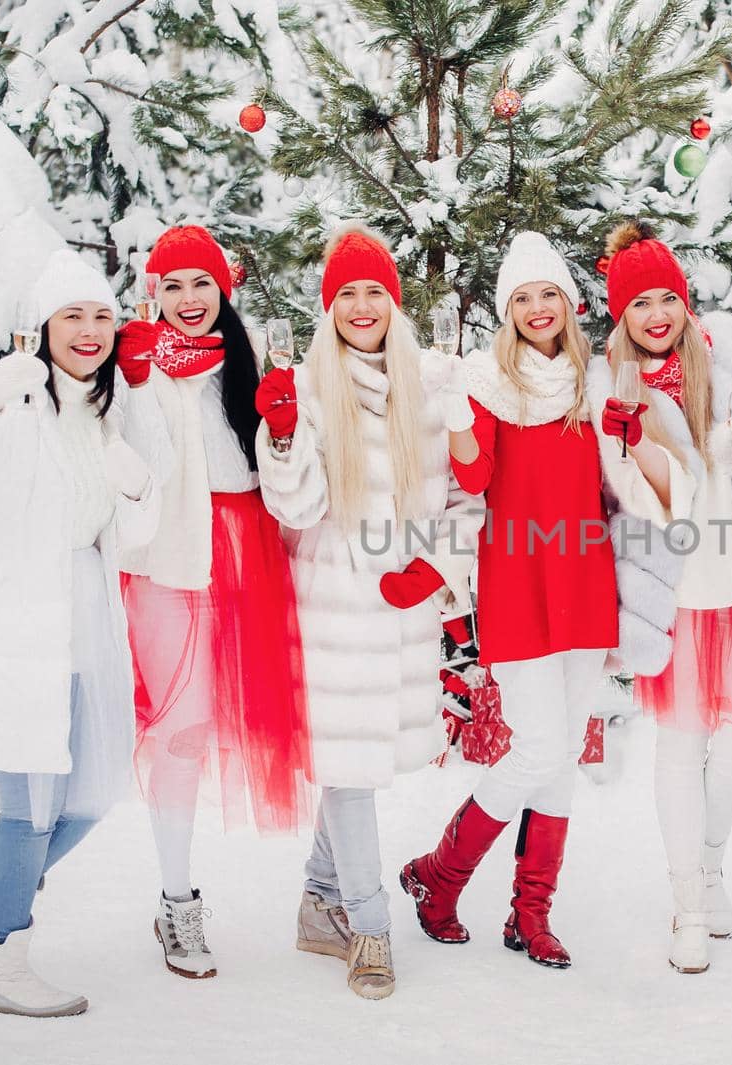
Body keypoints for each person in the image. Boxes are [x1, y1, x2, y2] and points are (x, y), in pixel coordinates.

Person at [0, 250, 161, 1016]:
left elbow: (135, 534)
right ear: (44, 325)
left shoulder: (113, 409)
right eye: (72, 316)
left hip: (86, 615)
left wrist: (136, 484)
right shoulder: (17, 398)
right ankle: (3, 955)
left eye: (101, 316)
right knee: (27, 806)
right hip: (16, 615)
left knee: (88, 795)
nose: (89, 331)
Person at [254, 225, 483, 999]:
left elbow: (466, 495)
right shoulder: (310, 387)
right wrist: (283, 435)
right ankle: (370, 925)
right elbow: (296, 504)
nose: (361, 305)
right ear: (328, 307)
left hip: (404, 609)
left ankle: (320, 900)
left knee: (352, 761)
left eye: (373, 291)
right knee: (349, 768)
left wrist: (437, 567)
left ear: (393, 300)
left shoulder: (431, 381)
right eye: (345, 293)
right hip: (334, 609)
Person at [400, 232, 616, 970]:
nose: (535, 308)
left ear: (568, 300)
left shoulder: (597, 380)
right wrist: (460, 412)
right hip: (520, 579)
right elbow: (479, 473)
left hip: (586, 579)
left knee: (558, 758)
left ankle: (531, 915)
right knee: (539, 746)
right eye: (521, 298)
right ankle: (440, 876)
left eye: (546, 293)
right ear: (506, 310)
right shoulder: (488, 382)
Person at [114, 225, 312, 979]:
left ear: (223, 289)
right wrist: (134, 387)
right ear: (152, 294)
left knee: (247, 719)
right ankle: (176, 899)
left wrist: (285, 430)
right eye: (173, 286)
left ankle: (327, 888)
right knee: (181, 729)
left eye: (201, 284)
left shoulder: (247, 359)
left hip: (245, 555)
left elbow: (271, 475)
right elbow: (142, 469)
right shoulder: (138, 364)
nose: (189, 300)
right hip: (169, 559)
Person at [588, 221, 732, 974]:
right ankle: (691, 905)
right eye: (640, 305)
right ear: (622, 317)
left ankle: (708, 862)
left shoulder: (728, 365)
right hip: (670, 592)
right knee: (680, 747)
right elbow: (642, 501)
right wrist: (637, 441)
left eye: (667, 297)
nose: (658, 315)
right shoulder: (613, 389)